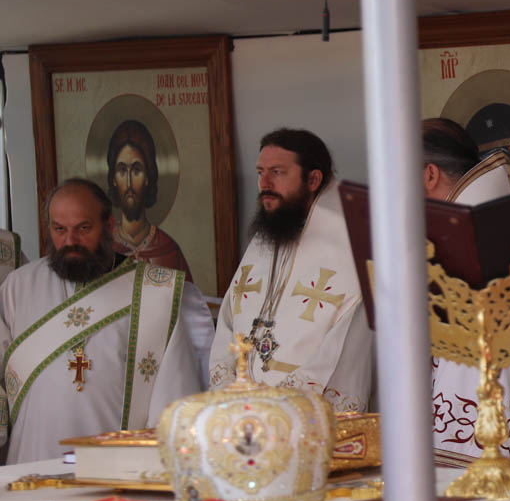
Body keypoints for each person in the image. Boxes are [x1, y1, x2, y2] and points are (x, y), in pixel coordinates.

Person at [0, 180, 212, 462]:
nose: (70, 241)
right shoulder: (19, 286)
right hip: (29, 462)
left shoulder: (155, 291)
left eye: (83, 228)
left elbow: (174, 394)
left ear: (109, 225)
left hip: (117, 470)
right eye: (59, 229)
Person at [211, 129, 373, 412]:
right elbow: (228, 320)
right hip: (241, 413)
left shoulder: (348, 245)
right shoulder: (267, 235)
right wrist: (231, 391)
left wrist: (279, 410)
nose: (264, 183)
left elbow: (347, 346)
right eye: (260, 172)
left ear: (313, 179)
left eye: (277, 172)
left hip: (305, 418)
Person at [423, 117, 510, 469]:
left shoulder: (467, 255)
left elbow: (463, 402)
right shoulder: (495, 235)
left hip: (473, 480)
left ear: (429, 176)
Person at [105, 119, 191, 279]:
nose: (129, 182)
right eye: (122, 170)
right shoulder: (102, 250)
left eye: (136, 170)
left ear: (148, 177)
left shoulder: (169, 250)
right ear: (114, 179)